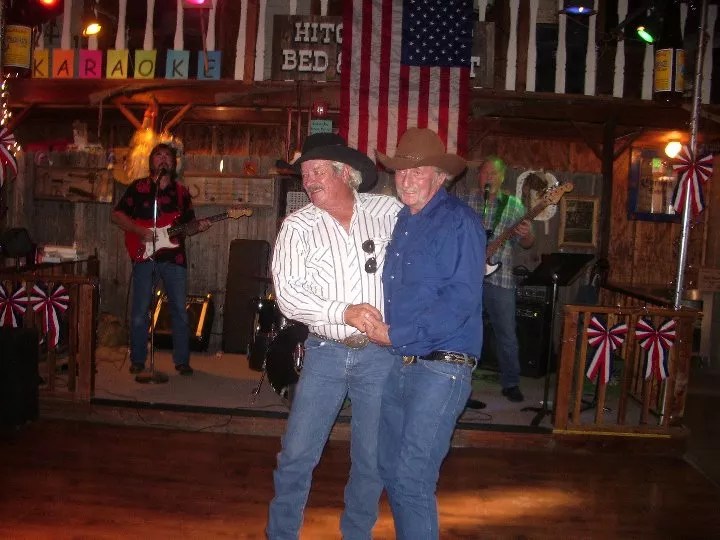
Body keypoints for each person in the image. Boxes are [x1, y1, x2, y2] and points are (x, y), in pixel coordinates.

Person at [266, 133, 402, 539]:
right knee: (296, 455)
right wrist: (344, 312)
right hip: (325, 353)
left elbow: (426, 252)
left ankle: (357, 534)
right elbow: (289, 296)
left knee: (371, 459)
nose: (308, 181)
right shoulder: (297, 226)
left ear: (346, 173)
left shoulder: (389, 211)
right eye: (305, 174)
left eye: (316, 171)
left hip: (379, 356)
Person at [365, 127, 486, 539]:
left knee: (412, 479)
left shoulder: (459, 222)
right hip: (401, 362)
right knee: (389, 468)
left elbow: (459, 301)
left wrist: (396, 334)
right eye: (401, 171)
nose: (407, 179)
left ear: (441, 176)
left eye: (418, 172)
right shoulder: (403, 220)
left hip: (442, 368)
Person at [111, 142, 210, 376]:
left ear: (174, 163)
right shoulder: (138, 188)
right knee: (140, 310)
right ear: (151, 161)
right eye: (158, 155)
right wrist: (138, 230)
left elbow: (188, 227)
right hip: (144, 256)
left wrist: (198, 227)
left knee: (179, 310)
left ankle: (182, 360)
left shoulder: (181, 193)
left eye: (168, 156)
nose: (163, 158)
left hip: (174, 258)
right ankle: (138, 359)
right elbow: (116, 215)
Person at [462, 156, 535, 402]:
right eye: (485, 173)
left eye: (494, 173)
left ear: (502, 178)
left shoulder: (514, 205)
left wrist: (526, 234)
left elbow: (528, 243)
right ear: (478, 176)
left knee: (507, 333)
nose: (489, 177)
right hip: (468, 278)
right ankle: (462, 382)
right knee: (465, 331)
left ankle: (511, 382)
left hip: (501, 279)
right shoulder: (466, 202)